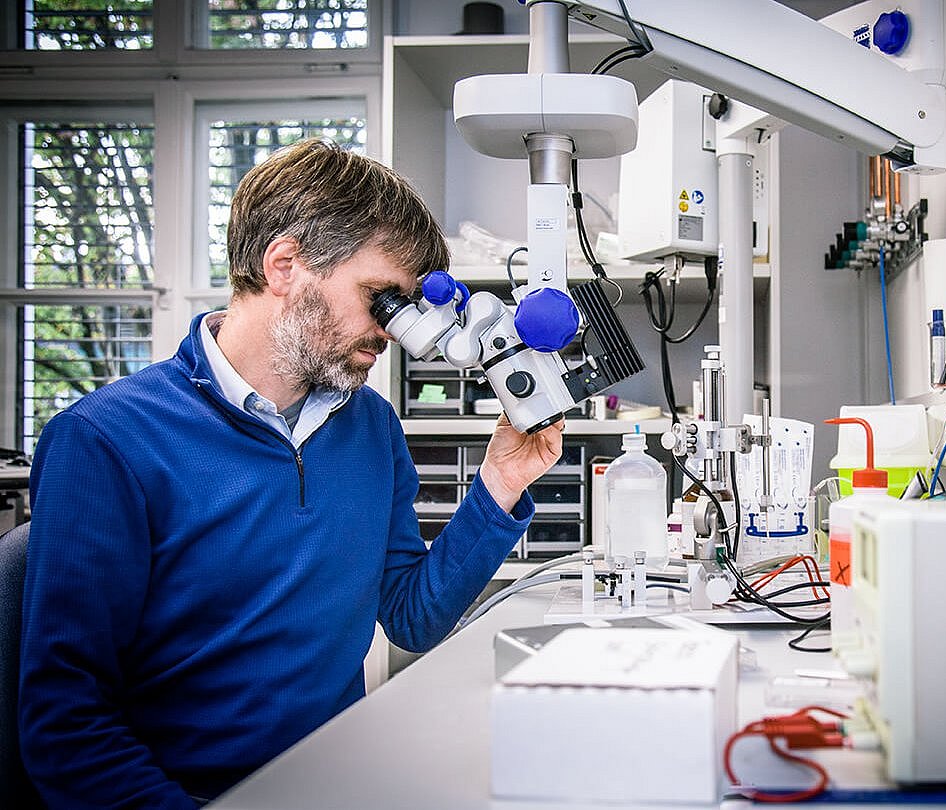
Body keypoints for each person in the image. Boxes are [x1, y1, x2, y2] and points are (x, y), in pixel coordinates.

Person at [18, 138, 564, 807]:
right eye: (380, 298)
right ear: (284, 265)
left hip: (336, 779)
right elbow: (67, 729)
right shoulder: (107, 440)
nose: (392, 331)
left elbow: (411, 618)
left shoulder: (369, 424)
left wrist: (501, 483)